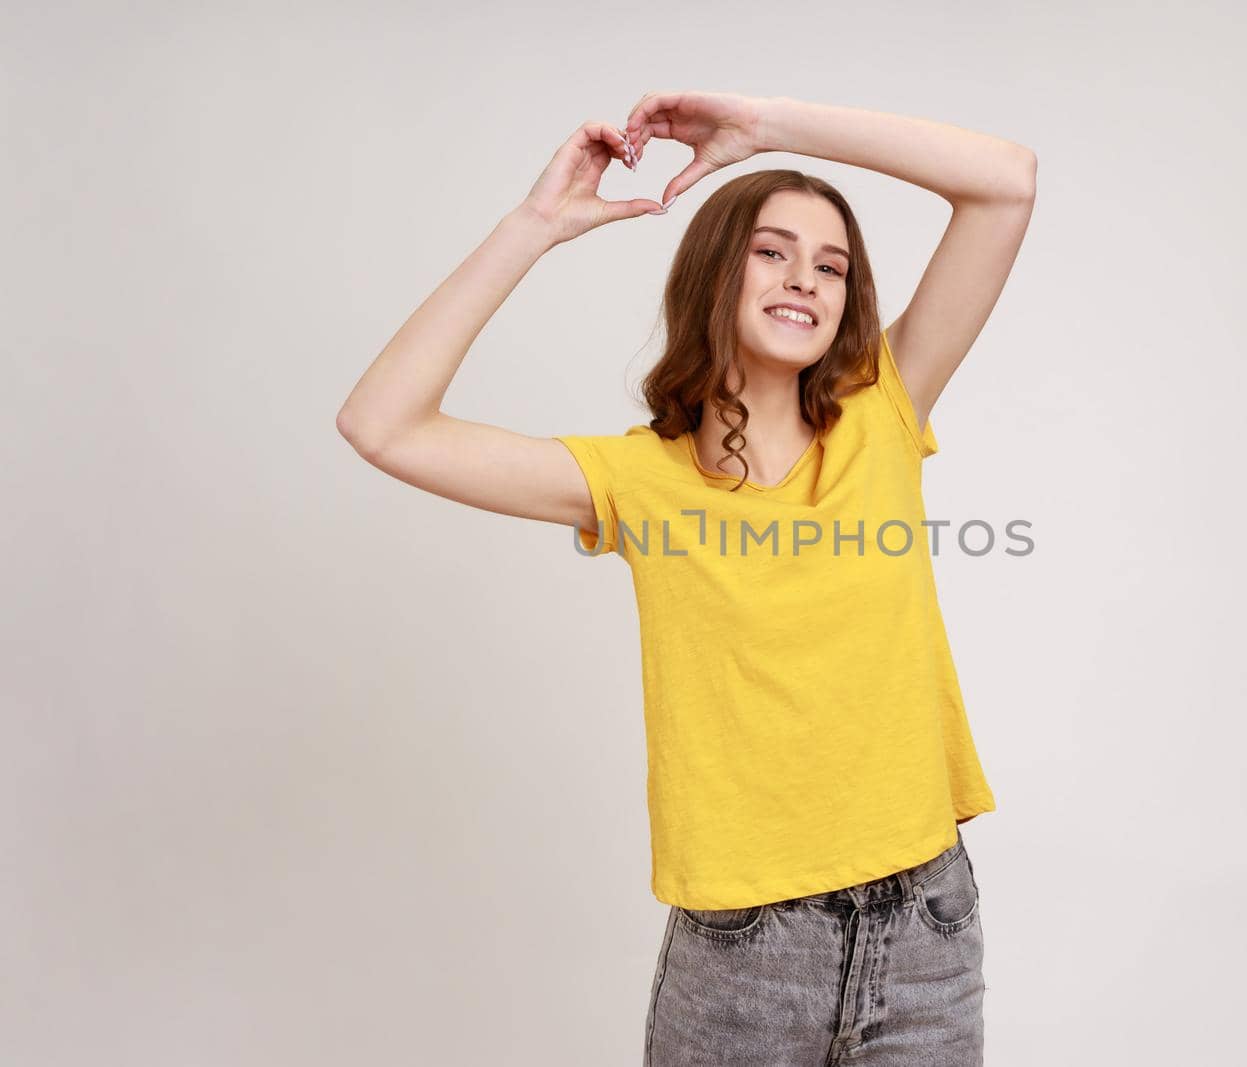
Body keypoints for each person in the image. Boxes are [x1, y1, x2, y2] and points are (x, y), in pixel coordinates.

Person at [337, 89, 1036, 1066]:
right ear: (715, 271)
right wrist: (532, 226)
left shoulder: (883, 408)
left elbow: (1005, 182)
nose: (805, 278)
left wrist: (771, 130)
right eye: (772, 249)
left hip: (924, 924)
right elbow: (382, 424)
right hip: (747, 953)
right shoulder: (638, 480)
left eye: (830, 264)